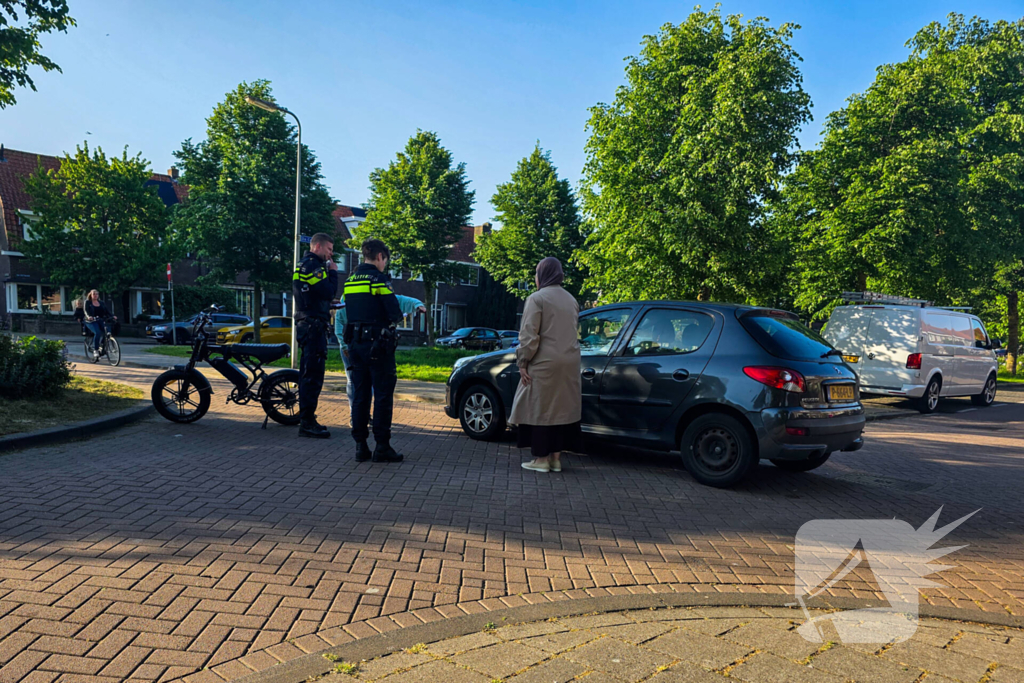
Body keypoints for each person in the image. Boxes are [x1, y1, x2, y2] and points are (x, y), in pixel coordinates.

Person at [509, 257, 582, 473]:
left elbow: (529, 335)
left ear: (542, 274)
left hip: (544, 362)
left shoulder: (537, 298)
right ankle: (556, 459)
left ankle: (540, 460)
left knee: (540, 408)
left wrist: (522, 362)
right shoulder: (571, 299)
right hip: (569, 362)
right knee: (560, 409)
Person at [343, 238, 404, 463]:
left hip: (355, 344)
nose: (385, 265)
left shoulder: (350, 280)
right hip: (377, 345)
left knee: (360, 395)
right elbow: (394, 311)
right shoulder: (378, 280)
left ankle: (360, 446)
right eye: (385, 261)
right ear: (380, 257)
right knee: (382, 395)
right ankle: (382, 446)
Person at [334, 293, 426, 409]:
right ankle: (358, 414)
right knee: (356, 381)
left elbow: (399, 299)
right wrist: (344, 346)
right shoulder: (356, 295)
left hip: (363, 345)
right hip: (353, 345)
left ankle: (360, 415)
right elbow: (339, 321)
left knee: (360, 381)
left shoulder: (356, 294)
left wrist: (417, 304)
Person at [293, 232, 340, 439]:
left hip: (308, 322)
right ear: (318, 247)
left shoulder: (304, 265)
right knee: (312, 375)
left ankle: (308, 418)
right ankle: (307, 422)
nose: (331, 254)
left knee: (309, 373)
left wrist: (325, 305)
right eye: (329, 249)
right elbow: (328, 291)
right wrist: (333, 272)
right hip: (313, 326)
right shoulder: (313, 266)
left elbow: (313, 294)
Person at [84, 290, 114, 359]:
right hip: (91, 321)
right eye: (94, 294)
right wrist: (89, 317)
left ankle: (102, 345)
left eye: (97, 294)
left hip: (100, 320)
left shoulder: (101, 303)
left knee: (107, 332)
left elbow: (107, 311)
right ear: (91, 295)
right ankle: (96, 350)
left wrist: (112, 316)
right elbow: (86, 311)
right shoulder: (88, 302)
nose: (95, 295)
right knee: (97, 332)